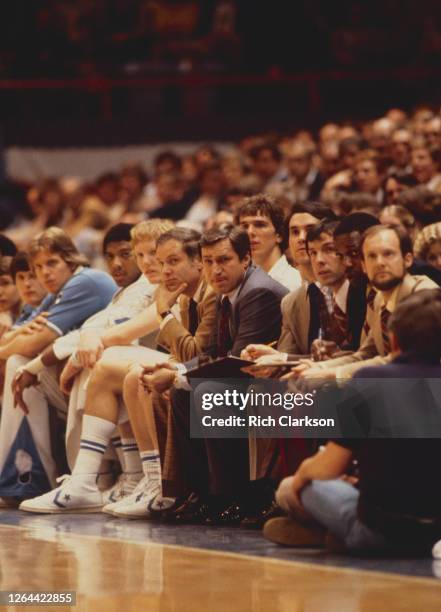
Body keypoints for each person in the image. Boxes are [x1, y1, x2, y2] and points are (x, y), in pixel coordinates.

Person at [19, 227, 217, 514]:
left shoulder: (180, 290)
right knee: (107, 364)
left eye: (163, 259)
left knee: (118, 366)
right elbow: (101, 328)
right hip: (180, 364)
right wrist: (85, 343)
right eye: (145, 256)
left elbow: (186, 351)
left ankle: (125, 477)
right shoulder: (151, 289)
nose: (153, 265)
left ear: (197, 260)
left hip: (198, 371)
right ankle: (106, 478)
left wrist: (161, 314)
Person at [266, 289, 441, 556]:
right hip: (435, 536)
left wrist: (302, 476)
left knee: (289, 489)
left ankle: (333, 533)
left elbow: (328, 467)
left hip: (381, 531)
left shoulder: (370, 379)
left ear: (394, 340)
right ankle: (333, 533)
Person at [141, 225, 288, 526]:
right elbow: (215, 355)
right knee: (184, 392)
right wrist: (179, 372)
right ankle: (201, 494)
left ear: (245, 259)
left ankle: (234, 497)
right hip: (249, 378)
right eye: (208, 261)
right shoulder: (228, 292)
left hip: (271, 384)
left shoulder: (257, 291)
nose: (214, 269)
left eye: (223, 260)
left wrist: (180, 374)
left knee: (208, 393)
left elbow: (236, 363)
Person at [0, 227, 117, 501]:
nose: (43, 274)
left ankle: (35, 478)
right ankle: (24, 476)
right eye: (37, 267)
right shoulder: (57, 292)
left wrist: (12, 344)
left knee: (21, 363)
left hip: (107, 371)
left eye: (51, 263)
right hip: (86, 373)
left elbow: (28, 346)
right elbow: (17, 343)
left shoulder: (85, 281)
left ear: (71, 259)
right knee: (20, 363)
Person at [291, 225, 438, 384]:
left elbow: (400, 361)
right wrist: (316, 369)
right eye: (372, 256)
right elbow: (365, 354)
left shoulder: (425, 295)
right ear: (363, 265)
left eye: (388, 254)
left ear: (407, 259)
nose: (380, 262)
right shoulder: (378, 299)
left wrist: (332, 374)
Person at [235, 194, 302, 291]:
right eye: (245, 226)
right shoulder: (239, 283)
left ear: (279, 234)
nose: (250, 232)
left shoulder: (294, 283)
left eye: (259, 225)